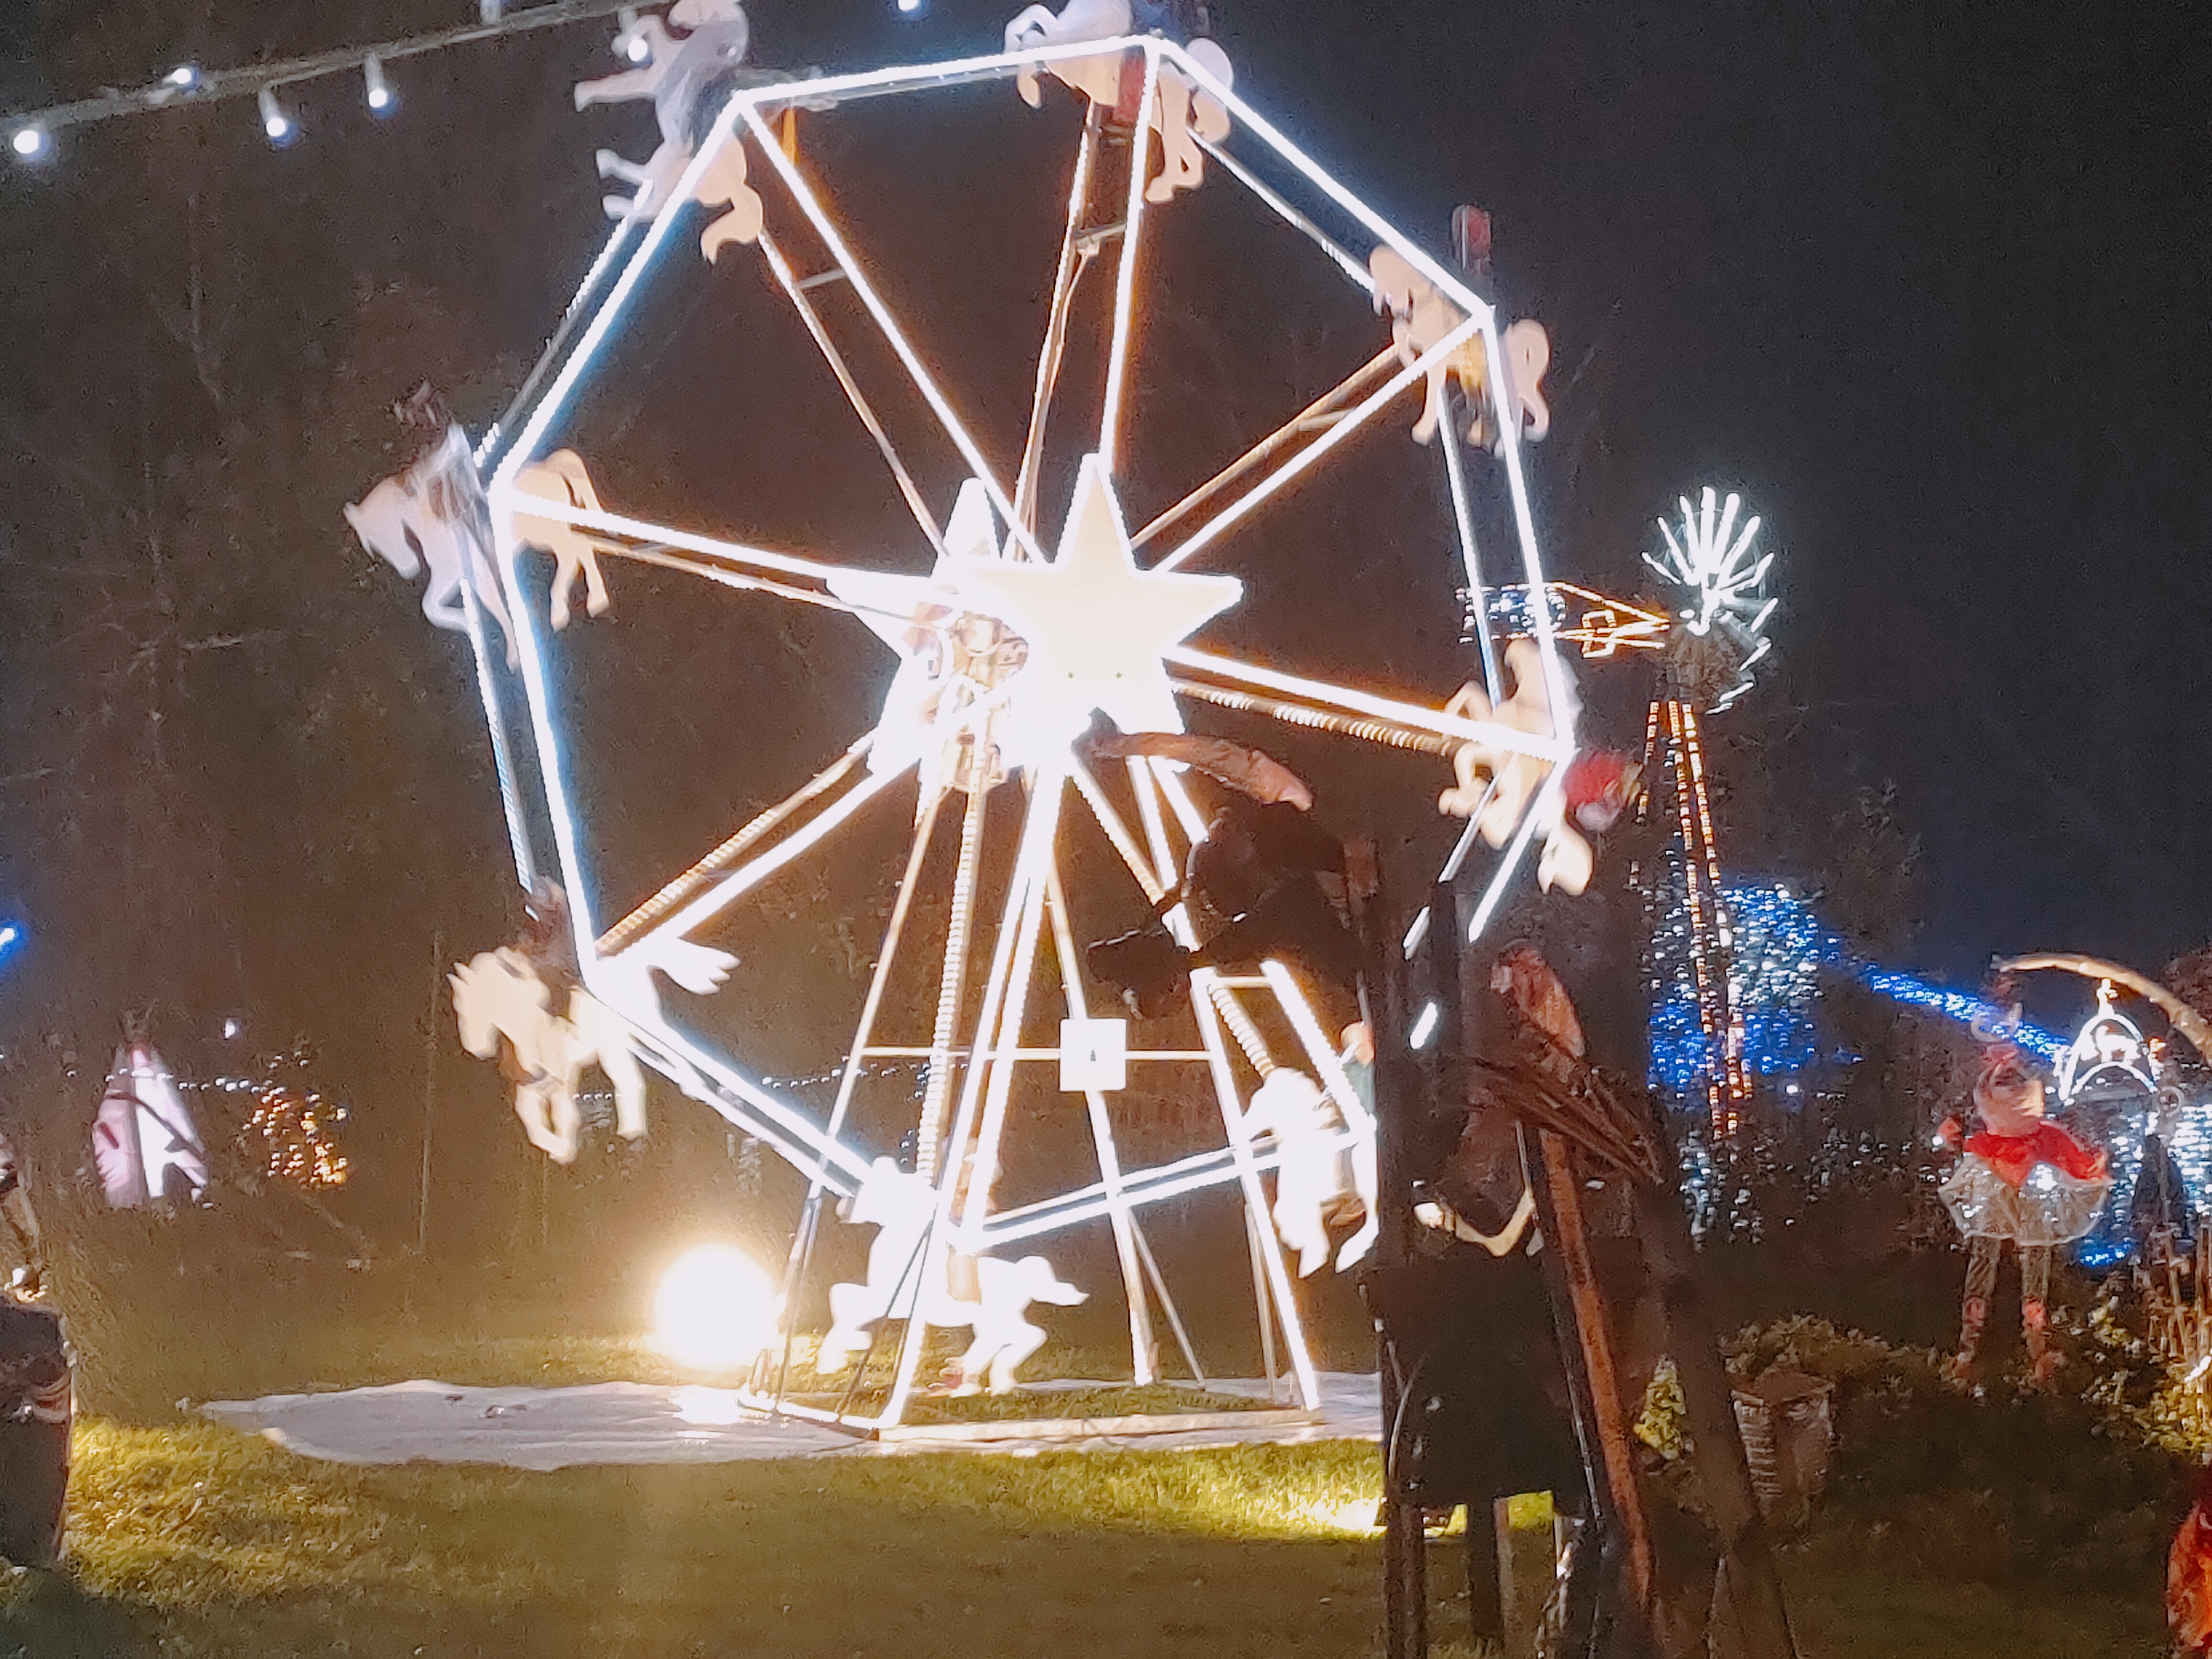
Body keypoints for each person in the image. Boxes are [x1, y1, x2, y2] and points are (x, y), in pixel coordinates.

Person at [1937, 1042, 2111, 1386]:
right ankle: (2033, 1349)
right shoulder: (2039, 1128)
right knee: (2031, 1261)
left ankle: (1971, 1351)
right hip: (2026, 1186)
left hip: (1995, 1184)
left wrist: (1997, 1068)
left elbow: (1977, 1106)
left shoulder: (1994, 1121)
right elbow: (2073, 1156)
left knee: (1988, 1260)